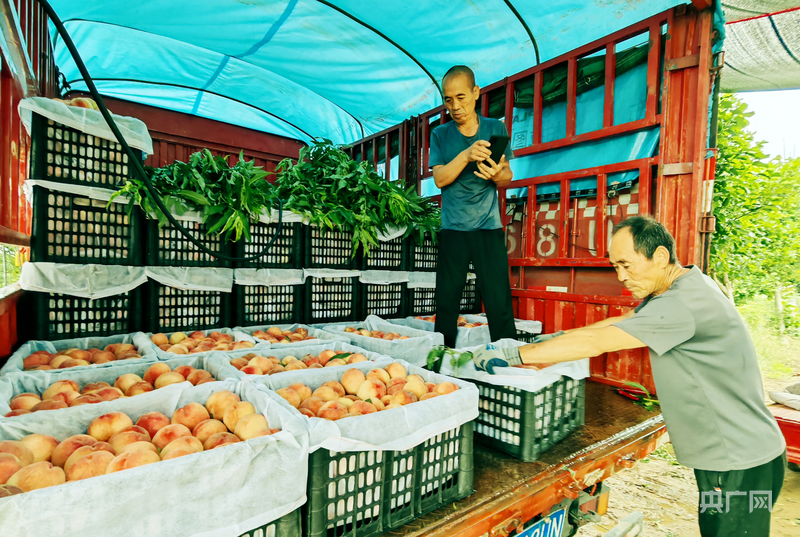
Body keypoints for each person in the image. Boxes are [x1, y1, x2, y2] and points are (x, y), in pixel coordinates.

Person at [472, 216, 787, 537]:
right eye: (615, 266)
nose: (620, 276)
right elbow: (621, 322)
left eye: (626, 264)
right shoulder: (686, 283)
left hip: (739, 462)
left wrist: (513, 355)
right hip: (735, 456)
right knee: (715, 529)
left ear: (660, 257)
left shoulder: (681, 305)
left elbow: (598, 343)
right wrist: (550, 340)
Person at [429, 65, 517, 348]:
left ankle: (508, 361)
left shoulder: (495, 128)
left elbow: (506, 175)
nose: (455, 106)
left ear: (476, 93)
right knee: (446, 302)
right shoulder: (440, 134)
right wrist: (467, 155)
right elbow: (440, 179)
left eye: (461, 97)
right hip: (453, 228)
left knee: (498, 300)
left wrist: (495, 174)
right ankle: (440, 363)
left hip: (487, 227)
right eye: (448, 99)